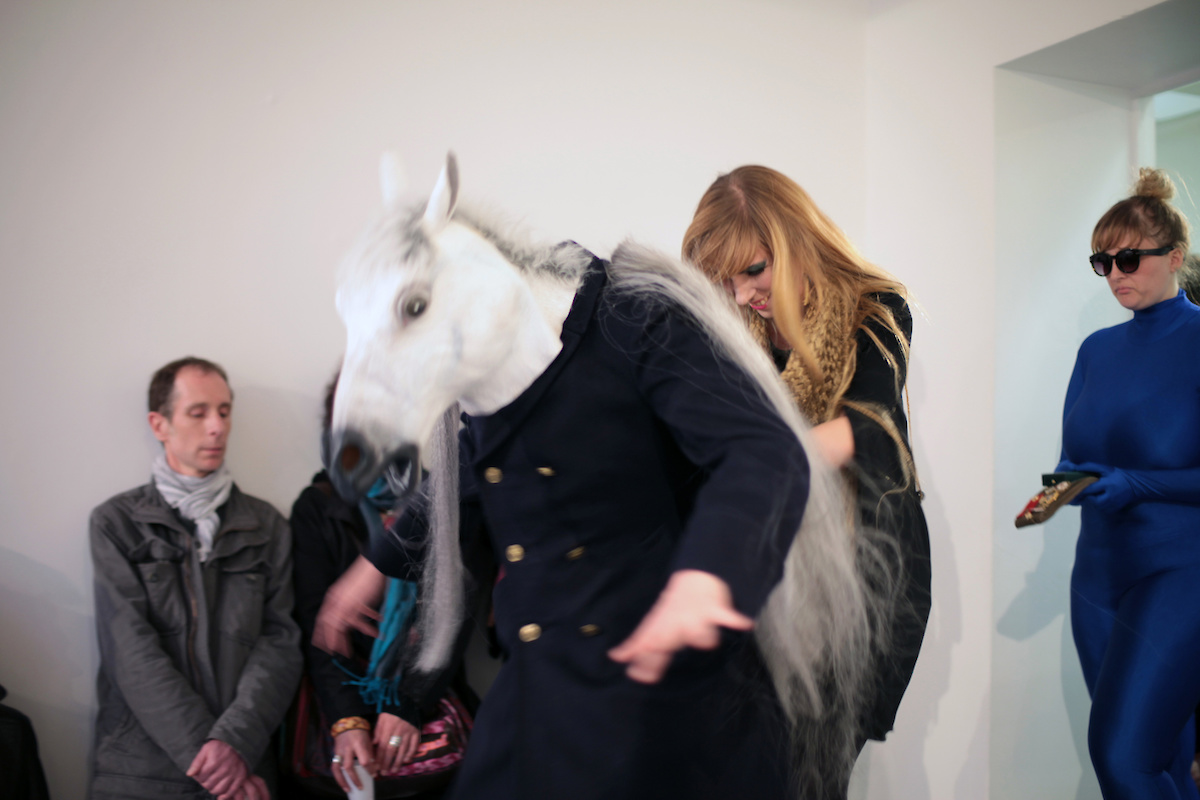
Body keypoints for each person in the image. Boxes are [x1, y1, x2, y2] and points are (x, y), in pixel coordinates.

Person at [314, 153, 881, 800]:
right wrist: (374, 565)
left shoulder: (638, 317)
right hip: (542, 693)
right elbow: (468, 472)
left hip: (667, 683)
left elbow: (763, 452)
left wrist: (708, 579)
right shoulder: (500, 380)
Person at [682, 165, 933, 779]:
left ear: (795, 239)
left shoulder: (875, 310)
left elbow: (869, 426)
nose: (743, 295)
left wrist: (750, 465)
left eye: (754, 269)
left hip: (858, 573)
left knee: (809, 774)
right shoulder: (730, 333)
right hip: (761, 573)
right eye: (725, 280)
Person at [88, 357, 302, 800]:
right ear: (159, 424)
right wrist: (212, 759)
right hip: (142, 775)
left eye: (224, 412)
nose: (217, 427)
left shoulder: (268, 526)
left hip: (246, 773)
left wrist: (235, 744)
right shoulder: (116, 523)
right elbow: (130, 651)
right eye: (198, 412)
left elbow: (280, 644)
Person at [1055, 168, 1200, 799]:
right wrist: (1064, 487)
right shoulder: (1096, 349)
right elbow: (1071, 457)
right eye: (1102, 261)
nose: (1115, 272)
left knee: (1121, 758)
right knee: (1163, 756)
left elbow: (1138, 474)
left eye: (1128, 258)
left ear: (1175, 257)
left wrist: (1139, 484)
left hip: (1180, 571)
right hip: (1097, 576)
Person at [289, 376, 480, 798]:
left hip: (428, 700)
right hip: (342, 701)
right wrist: (349, 721)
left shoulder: (444, 491)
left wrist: (406, 703)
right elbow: (316, 625)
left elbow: (455, 607)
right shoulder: (317, 506)